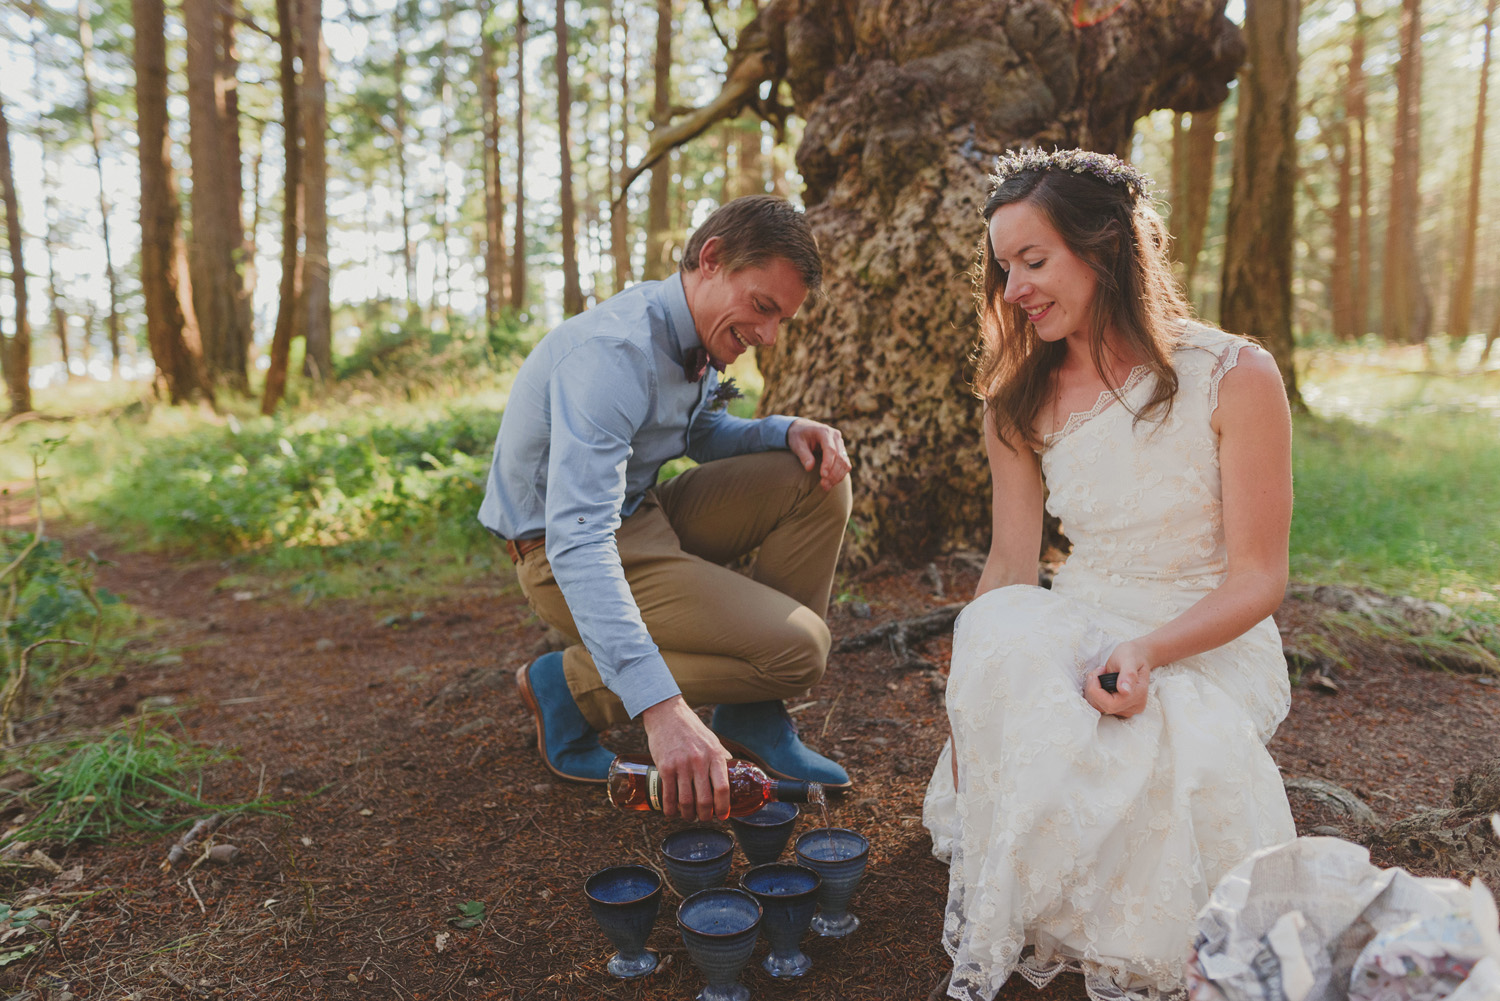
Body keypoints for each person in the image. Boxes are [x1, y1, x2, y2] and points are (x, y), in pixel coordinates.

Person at [922, 149, 1296, 1001]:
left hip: (1202, 631)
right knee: (1005, 643)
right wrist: (974, 686)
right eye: (1004, 266)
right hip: (1078, 615)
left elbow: (1259, 579)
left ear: (1104, 247)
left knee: (1147, 758)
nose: (1013, 288)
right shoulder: (1016, 397)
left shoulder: (1235, 376)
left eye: (1034, 260)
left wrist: (1148, 650)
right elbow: (1013, 566)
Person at [479, 195, 854, 824]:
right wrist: (660, 709)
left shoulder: (691, 331)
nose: (766, 336)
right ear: (711, 260)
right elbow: (578, 542)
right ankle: (569, 690)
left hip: (640, 516)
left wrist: (785, 428)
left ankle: (751, 710)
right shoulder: (614, 354)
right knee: (800, 651)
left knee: (813, 476)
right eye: (762, 308)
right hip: (561, 555)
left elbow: (701, 435)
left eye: (781, 319)